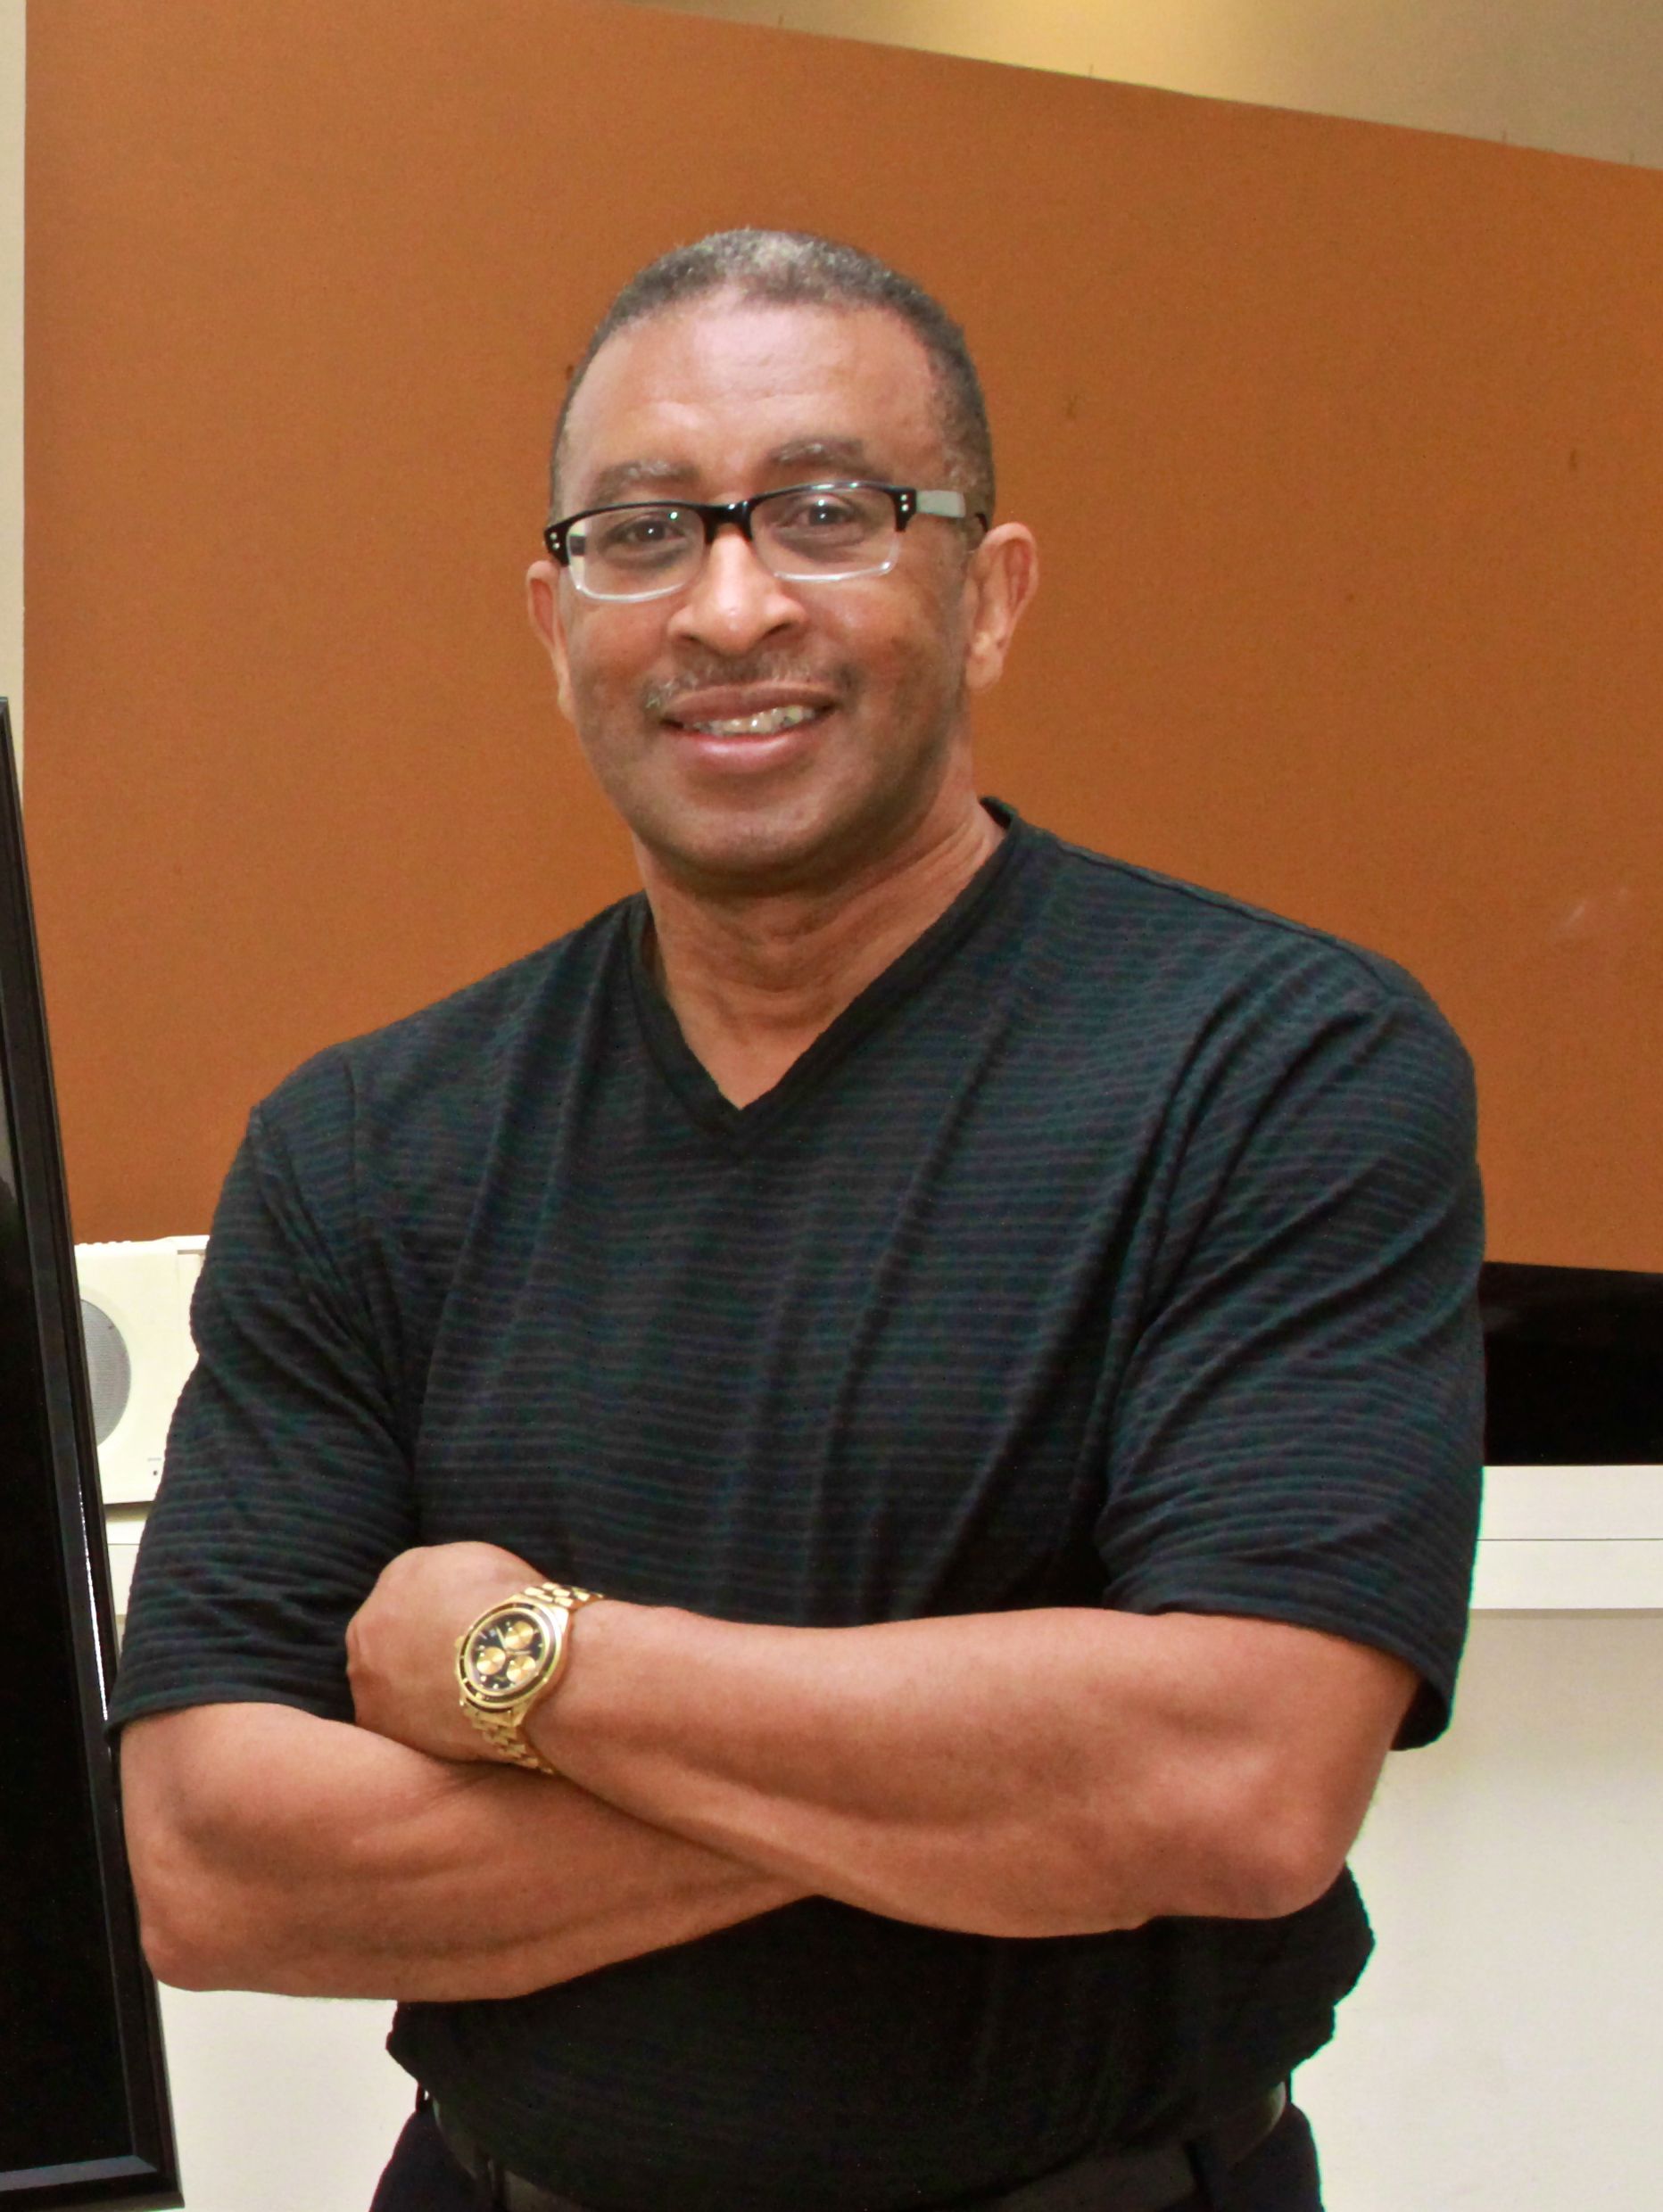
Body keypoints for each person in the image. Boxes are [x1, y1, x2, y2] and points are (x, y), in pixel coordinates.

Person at [113, 230, 1484, 2212]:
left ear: (989, 592)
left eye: (829, 513)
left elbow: (1234, 1784)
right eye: (645, 532)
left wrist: (519, 1663)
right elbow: (207, 1856)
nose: (729, 604)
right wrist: (997, 1792)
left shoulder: (1273, 1066)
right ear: (553, 611)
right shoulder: (365, 1147)